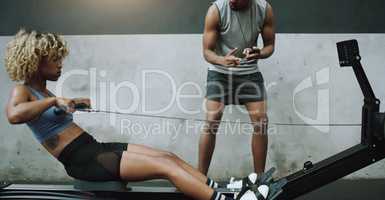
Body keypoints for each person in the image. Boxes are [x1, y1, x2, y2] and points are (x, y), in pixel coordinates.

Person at [4, 29, 269, 200]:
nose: (60, 64)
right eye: (55, 59)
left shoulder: (43, 92)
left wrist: (72, 103)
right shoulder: (23, 91)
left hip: (92, 148)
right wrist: (54, 100)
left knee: (168, 156)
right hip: (82, 160)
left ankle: (226, 188)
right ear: (37, 61)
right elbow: (14, 115)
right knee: (165, 168)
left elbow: (49, 113)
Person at [199, 0, 275, 176]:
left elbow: (270, 45)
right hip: (219, 71)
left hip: (249, 72)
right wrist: (221, 60)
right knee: (212, 120)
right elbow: (207, 51)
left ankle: (260, 180)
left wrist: (260, 53)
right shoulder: (216, 10)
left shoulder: (264, 10)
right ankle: (199, 178)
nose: (231, 0)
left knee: (261, 121)